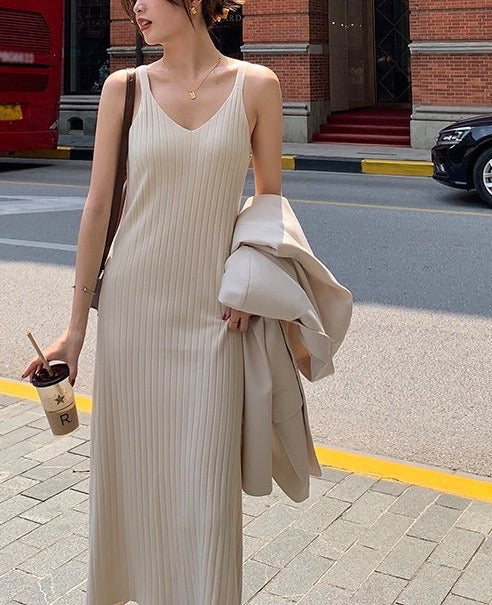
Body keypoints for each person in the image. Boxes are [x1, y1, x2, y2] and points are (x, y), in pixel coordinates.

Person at [21, 0, 286, 602]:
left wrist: (251, 274)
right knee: (133, 475)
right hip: (132, 311)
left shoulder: (258, 87)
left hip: (215, 317)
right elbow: (97, 208)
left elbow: (270, 200)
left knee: (207, 484)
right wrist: (75, 331)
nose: (136, 5)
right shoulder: (125, 89)